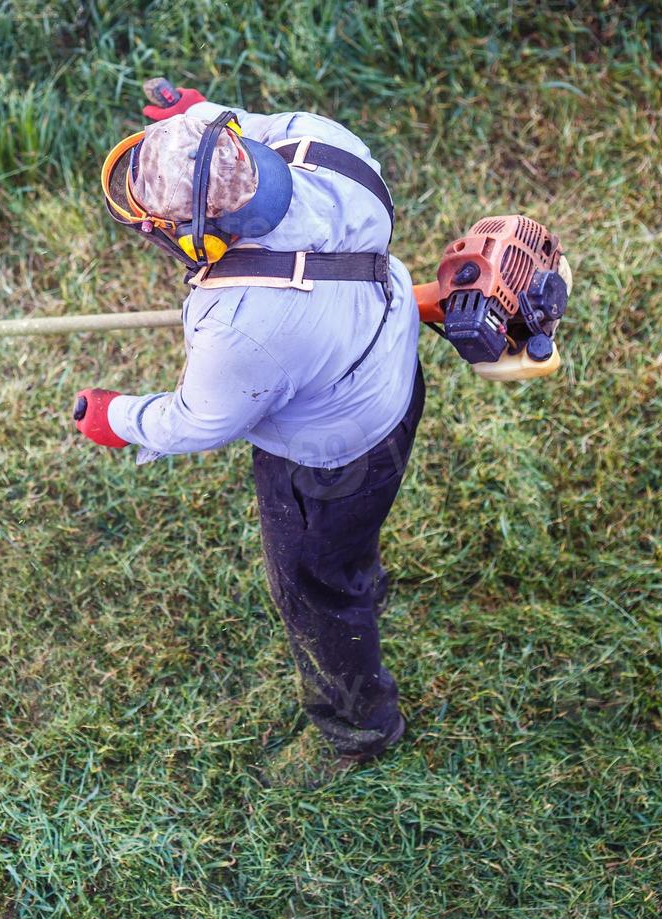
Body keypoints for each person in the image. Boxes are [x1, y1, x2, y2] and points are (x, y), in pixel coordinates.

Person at [73, 84, 424, 787]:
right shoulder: (329, 145)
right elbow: (248, 127)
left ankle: (356, 727)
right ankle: (359, 574)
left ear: (198, 233)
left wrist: (115, 418)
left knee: (309, 588)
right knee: (349, 550)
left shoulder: (240, 329)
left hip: (332, 460)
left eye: (157, 222)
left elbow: (199, 419)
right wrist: (193, 117)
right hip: (394, 378)